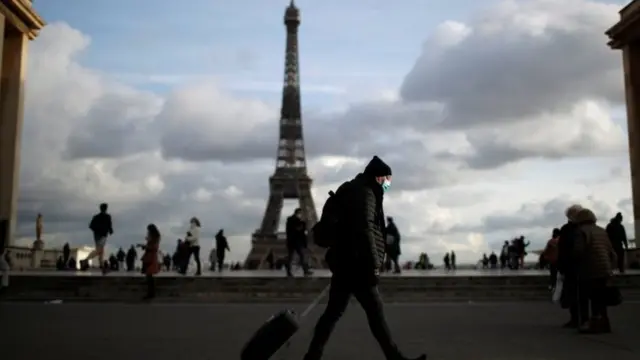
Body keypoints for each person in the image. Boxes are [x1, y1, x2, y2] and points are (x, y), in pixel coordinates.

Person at [303, 155, 426, 360]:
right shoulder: (366, 193)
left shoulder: (355, 189)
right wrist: (374, 264)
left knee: (334, 314)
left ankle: (312, 356)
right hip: (357, 263)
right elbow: (365, 230)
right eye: (386, 180)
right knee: (374, 313)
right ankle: (395, 358)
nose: (387, 185)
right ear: (378, 177)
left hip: (345, 261)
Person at [572, 208, 617, 333]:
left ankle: (587, 323)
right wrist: (610, 268)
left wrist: (573, 263)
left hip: (589, 269)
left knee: (585, 297)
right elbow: (612, 252)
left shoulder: (581, 231)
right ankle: (604, 323)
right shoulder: (602, 231)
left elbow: (578, 251)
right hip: (604, 269)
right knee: (600, 298)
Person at [557, 204, 582, 328]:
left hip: (571, 266)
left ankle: (575, 318)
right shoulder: (588, 228)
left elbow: (562, 250)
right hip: (587, 266)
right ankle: (586, 318)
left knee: (573, 293)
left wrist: (561, 267)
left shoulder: (567, 229)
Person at [80, 203, 114, 274]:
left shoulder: (96, 217)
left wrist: (97, 230)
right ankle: (85, 261)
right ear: (106, 208)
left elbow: (91, 226)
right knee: (99, 250)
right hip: (103, 235)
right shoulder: (107, 216)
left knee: (101, 251)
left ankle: (102, 267)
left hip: (96, 235)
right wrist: (110, 231)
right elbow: (109, 225)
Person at [285, 208, 312, 277]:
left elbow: (299, 230)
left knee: (297, 256)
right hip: (294, 241)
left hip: (294, 241)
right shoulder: (294, 220)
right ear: (298, 213)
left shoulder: (292, 220)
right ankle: (304, 271)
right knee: (297, 256)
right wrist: (303, 223)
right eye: (301, 213)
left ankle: (303, 271)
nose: (302, 215)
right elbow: (298, 229)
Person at [141, 224, 161, 300]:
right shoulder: (154, 237)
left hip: (151, 257)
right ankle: (151, 293)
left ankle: (151, 293)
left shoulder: (155, 238)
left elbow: (154, 247)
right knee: (149, 276)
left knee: (149, 276)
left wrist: (145, 246)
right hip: (149, 257)